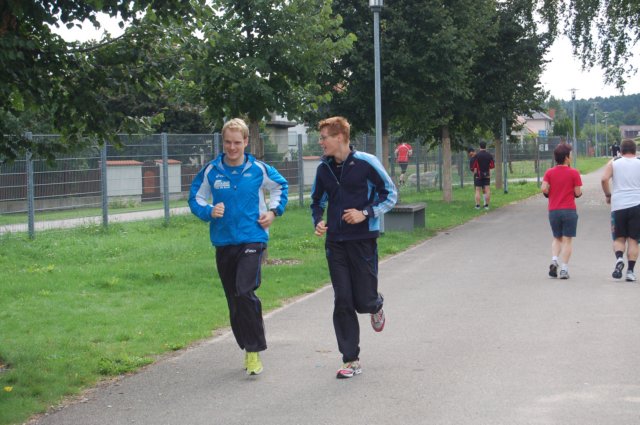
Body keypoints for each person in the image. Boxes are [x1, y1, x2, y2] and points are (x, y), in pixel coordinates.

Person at [189, 118, 288, 375]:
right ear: (223, 143)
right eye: (227, 142)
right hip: (224, 242)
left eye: (237, 142)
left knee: (244, 291)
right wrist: (209, 211)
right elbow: (196, 198)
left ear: (246, 142)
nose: (232, 148)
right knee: (234, 299)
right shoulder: (212, 171)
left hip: (253, 237)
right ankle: (246, 344)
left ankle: (254, 350)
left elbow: (280, 186)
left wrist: (273, 212)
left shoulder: (258, 169)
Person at [310, 116, 397, 379]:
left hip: (362, 240)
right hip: (335, 242)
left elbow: (390, 194)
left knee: (364, 300)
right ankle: (351, 360)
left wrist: (365, 213)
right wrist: (319, 221)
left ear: (340, 137)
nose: (321, 142)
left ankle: (375, 305)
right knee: (343, 299)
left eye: (324, 137)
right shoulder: (323, 169)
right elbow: (317, 201)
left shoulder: (366, 163)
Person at [541, 143, 582, 279]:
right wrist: (576, 193)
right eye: (571, 154)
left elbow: (544, 188)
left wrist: (549, 193)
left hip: (554, 210)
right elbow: (578, 192)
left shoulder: (549, 172)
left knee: (557, 238)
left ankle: (554, 260)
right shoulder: (574, 172)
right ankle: (564, 269)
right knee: (567, 240)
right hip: (569, 210)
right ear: (566, 157)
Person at [600, 138, 640, 282]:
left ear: (620, 150)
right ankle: (630, 271)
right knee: (634, 240)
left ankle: (619, 259)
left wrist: (608, 195)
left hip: (618, 206)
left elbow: (604, 179)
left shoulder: (614, 163)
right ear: (635, 151)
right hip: (637, 205)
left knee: (619, 238)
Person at [470, 141, 495, 210]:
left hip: (478, 175)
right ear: (485, 146)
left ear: (479, 147)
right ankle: (486, 206)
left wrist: (475, 172)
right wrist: (488, 169)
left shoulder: (477, 155)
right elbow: (492, 166)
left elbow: (473, 166)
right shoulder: (489, 155)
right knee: (487, 190)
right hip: (487, 175)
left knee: (478, 190)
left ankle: (478, 206)